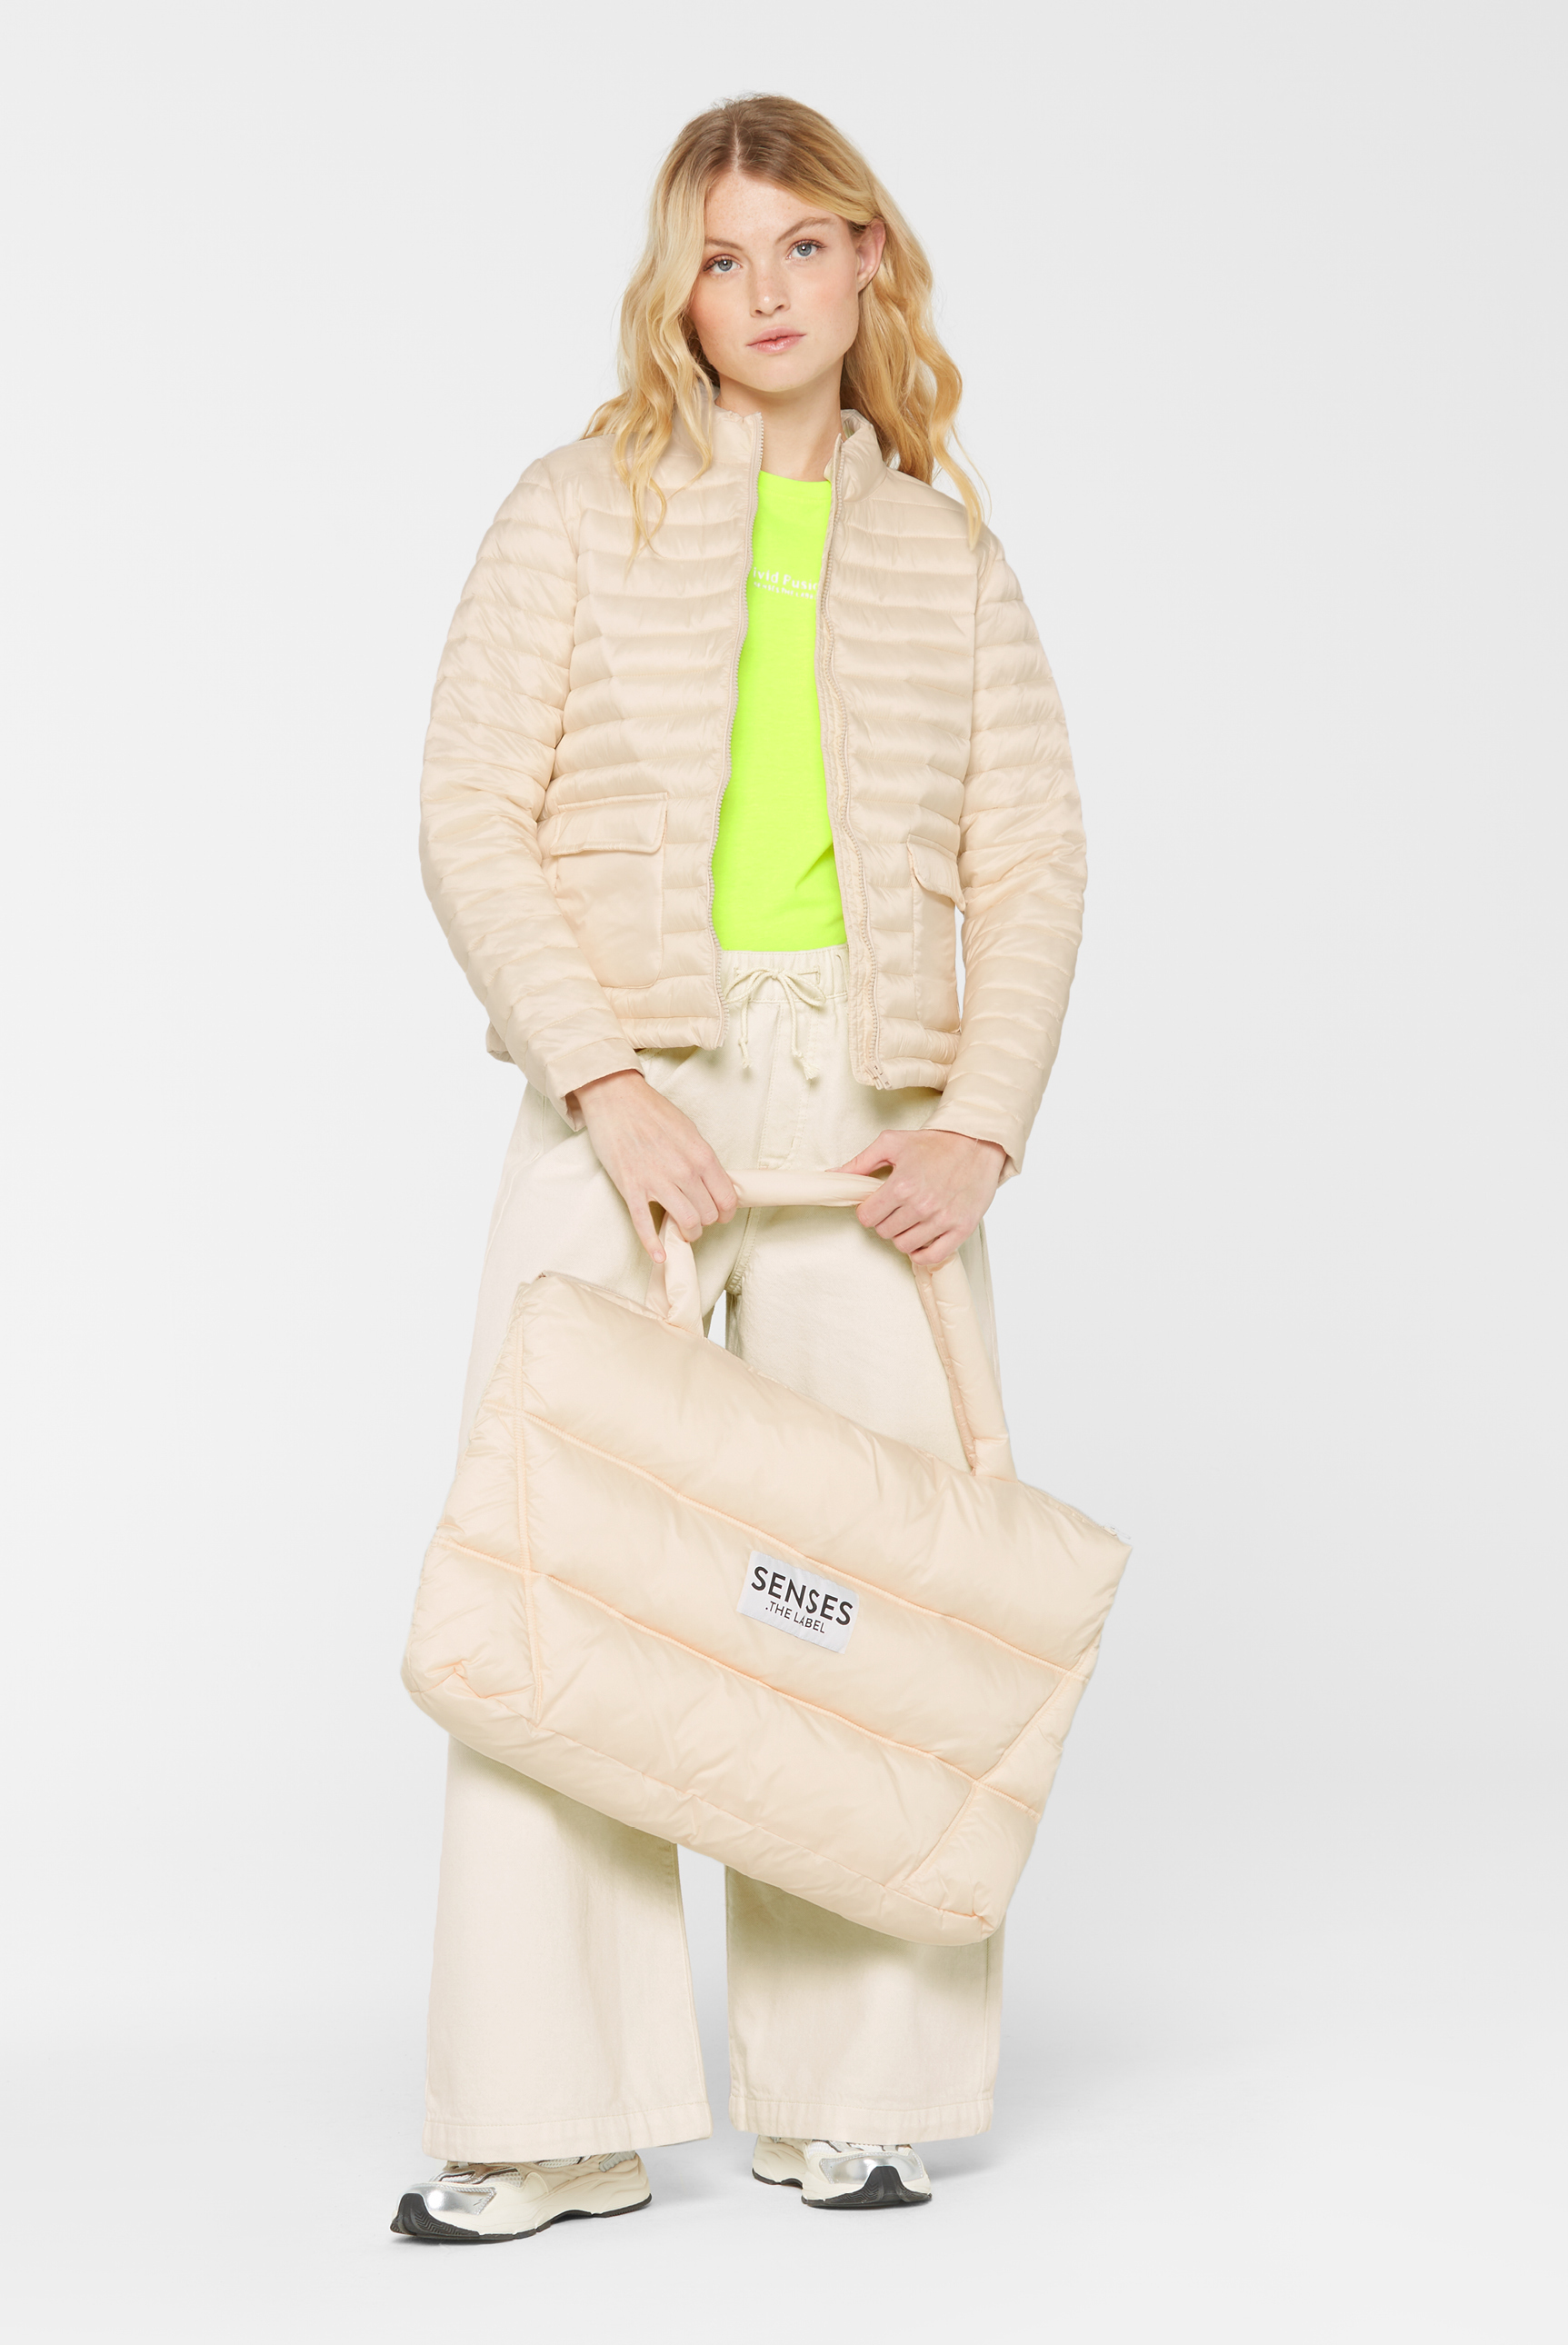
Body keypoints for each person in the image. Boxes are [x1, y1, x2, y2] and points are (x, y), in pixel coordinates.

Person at [393, 93, 1086, 2242]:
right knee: (567, 1579)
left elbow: (1029, 855)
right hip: (628, 1096)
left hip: (864, 1106)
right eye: (720, 256)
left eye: (802, 245)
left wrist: (977, 1122)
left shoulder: (943, 555)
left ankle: (852, 2095)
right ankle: (544, 2113)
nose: (764, 292)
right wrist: (603, 1080)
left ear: (868, 260)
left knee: (867, 1600)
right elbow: (466, 812)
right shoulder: (568, 510)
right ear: (672, 291)